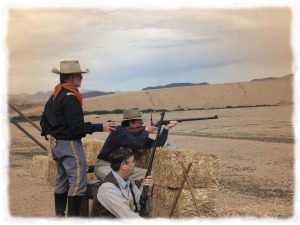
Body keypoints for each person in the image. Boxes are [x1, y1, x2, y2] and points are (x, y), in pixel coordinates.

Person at [40, 60, 116, 217]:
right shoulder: (69, 97)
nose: (82, 78)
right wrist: (100, 127)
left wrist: (48, 133)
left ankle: (60, 217)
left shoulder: (56, 94)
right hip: (70, 146)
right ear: (72, 77)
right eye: (80, 76)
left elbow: (43, 119)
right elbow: (77, 127)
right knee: (78, 184)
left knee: (62, 182)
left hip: (58, 147)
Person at [94, 108, 177, 181]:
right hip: (105, 166)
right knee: (117, 179)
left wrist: (166, 128)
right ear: (131, 123)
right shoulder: (119, 131)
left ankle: (140, 198)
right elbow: (137, 144)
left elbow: (158, 144)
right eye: (140, 121)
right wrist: (146, 131)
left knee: (149, 175)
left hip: (123, 167)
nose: (142, 123)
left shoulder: (138, 135)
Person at [91, 148, 153, 218]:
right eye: (133, 161)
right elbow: (129, 217)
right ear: (123, 165)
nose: (135, 164)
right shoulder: (108, 188)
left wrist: (147, 193)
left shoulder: (129, 182)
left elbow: (141, 209)